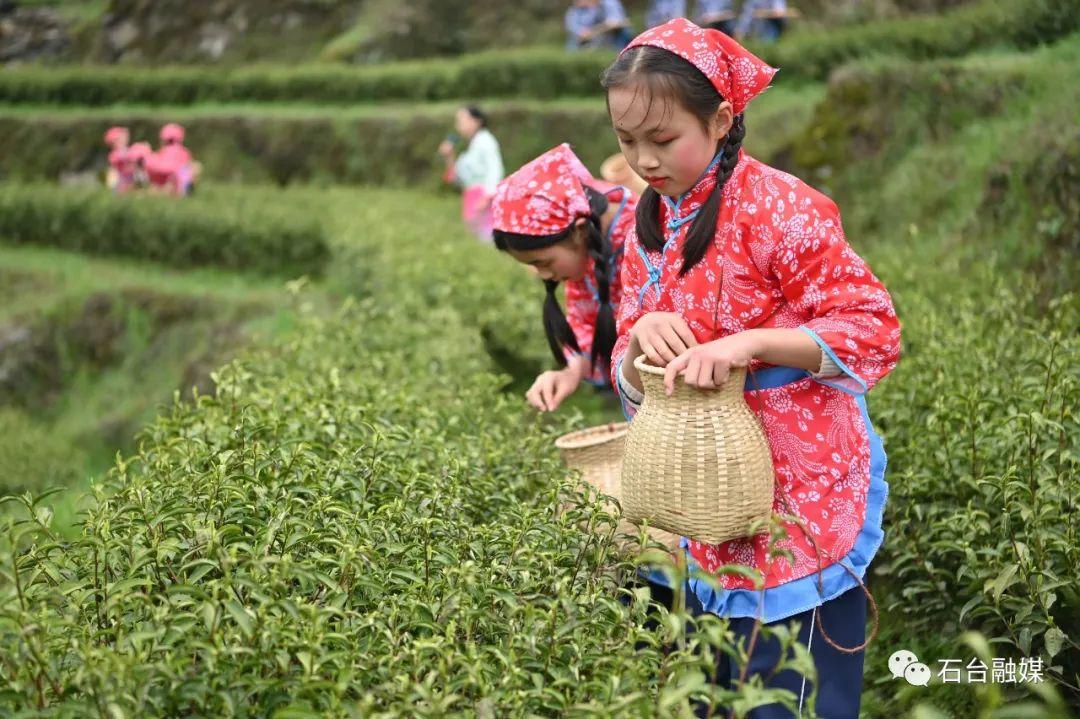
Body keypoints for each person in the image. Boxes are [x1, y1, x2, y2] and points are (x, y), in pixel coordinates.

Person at [601, 19, 900, 717]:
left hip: (799, 489)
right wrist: (642, 336)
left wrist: (752, 343)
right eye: (626, 141)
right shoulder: (643, 225)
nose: (644, 160)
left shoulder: (782, 208)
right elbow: (623, 356)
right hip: (704, 492)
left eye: (662, 139)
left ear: (722, 118)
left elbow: (870, 327)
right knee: (716, 687)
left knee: (791, 692)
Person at [491, 144, 637, 412]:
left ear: (579, 231)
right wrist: (569, 372)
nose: (542, 274)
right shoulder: (584, 252)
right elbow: (584, 322)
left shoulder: (643, 236)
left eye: (543, 262)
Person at [439, 106, 505, 242]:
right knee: (475, 239)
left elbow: (495, 169)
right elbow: (456, 178)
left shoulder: (486, 142)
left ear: (477, 121)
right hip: (471, 196)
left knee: (487, 240)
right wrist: (449, 156)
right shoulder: (472, 146)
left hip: (483, 198)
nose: (459, 126)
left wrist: (487, 196)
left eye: (463, 121)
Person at [146, 123, 197, 196]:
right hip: (179, 184)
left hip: (169, 182)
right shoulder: (184, 152)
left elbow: (155, 166)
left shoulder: (161, 152)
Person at [565, 0, 634, 51]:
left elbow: (615, 23)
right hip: (600, 37)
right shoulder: (576, 11)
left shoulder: (610, 3)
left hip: (619, 37)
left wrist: (593, 31)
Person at [103, 126, 134, 194]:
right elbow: (124, 158)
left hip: (131, 179)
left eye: (125, 137)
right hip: (122, 182)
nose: (125, 139)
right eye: (122, 138)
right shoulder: (114, 154)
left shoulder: (127, 150)